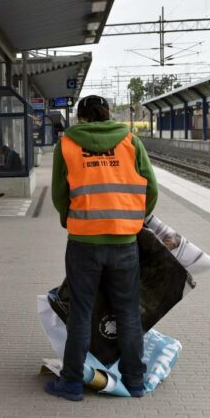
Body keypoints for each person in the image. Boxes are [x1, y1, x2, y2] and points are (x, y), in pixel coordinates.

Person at [45, 95, 158, 401]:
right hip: (124, 242)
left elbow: (59, 194)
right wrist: (133, 219)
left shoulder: (67, 144)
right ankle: (135, 381)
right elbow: (152, 188)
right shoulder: (131, 141)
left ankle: (71, 382)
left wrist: (72, 220)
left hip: (83, 242)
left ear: (80, 117)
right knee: (128, 313)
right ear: (108, 114)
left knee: (81, 312)